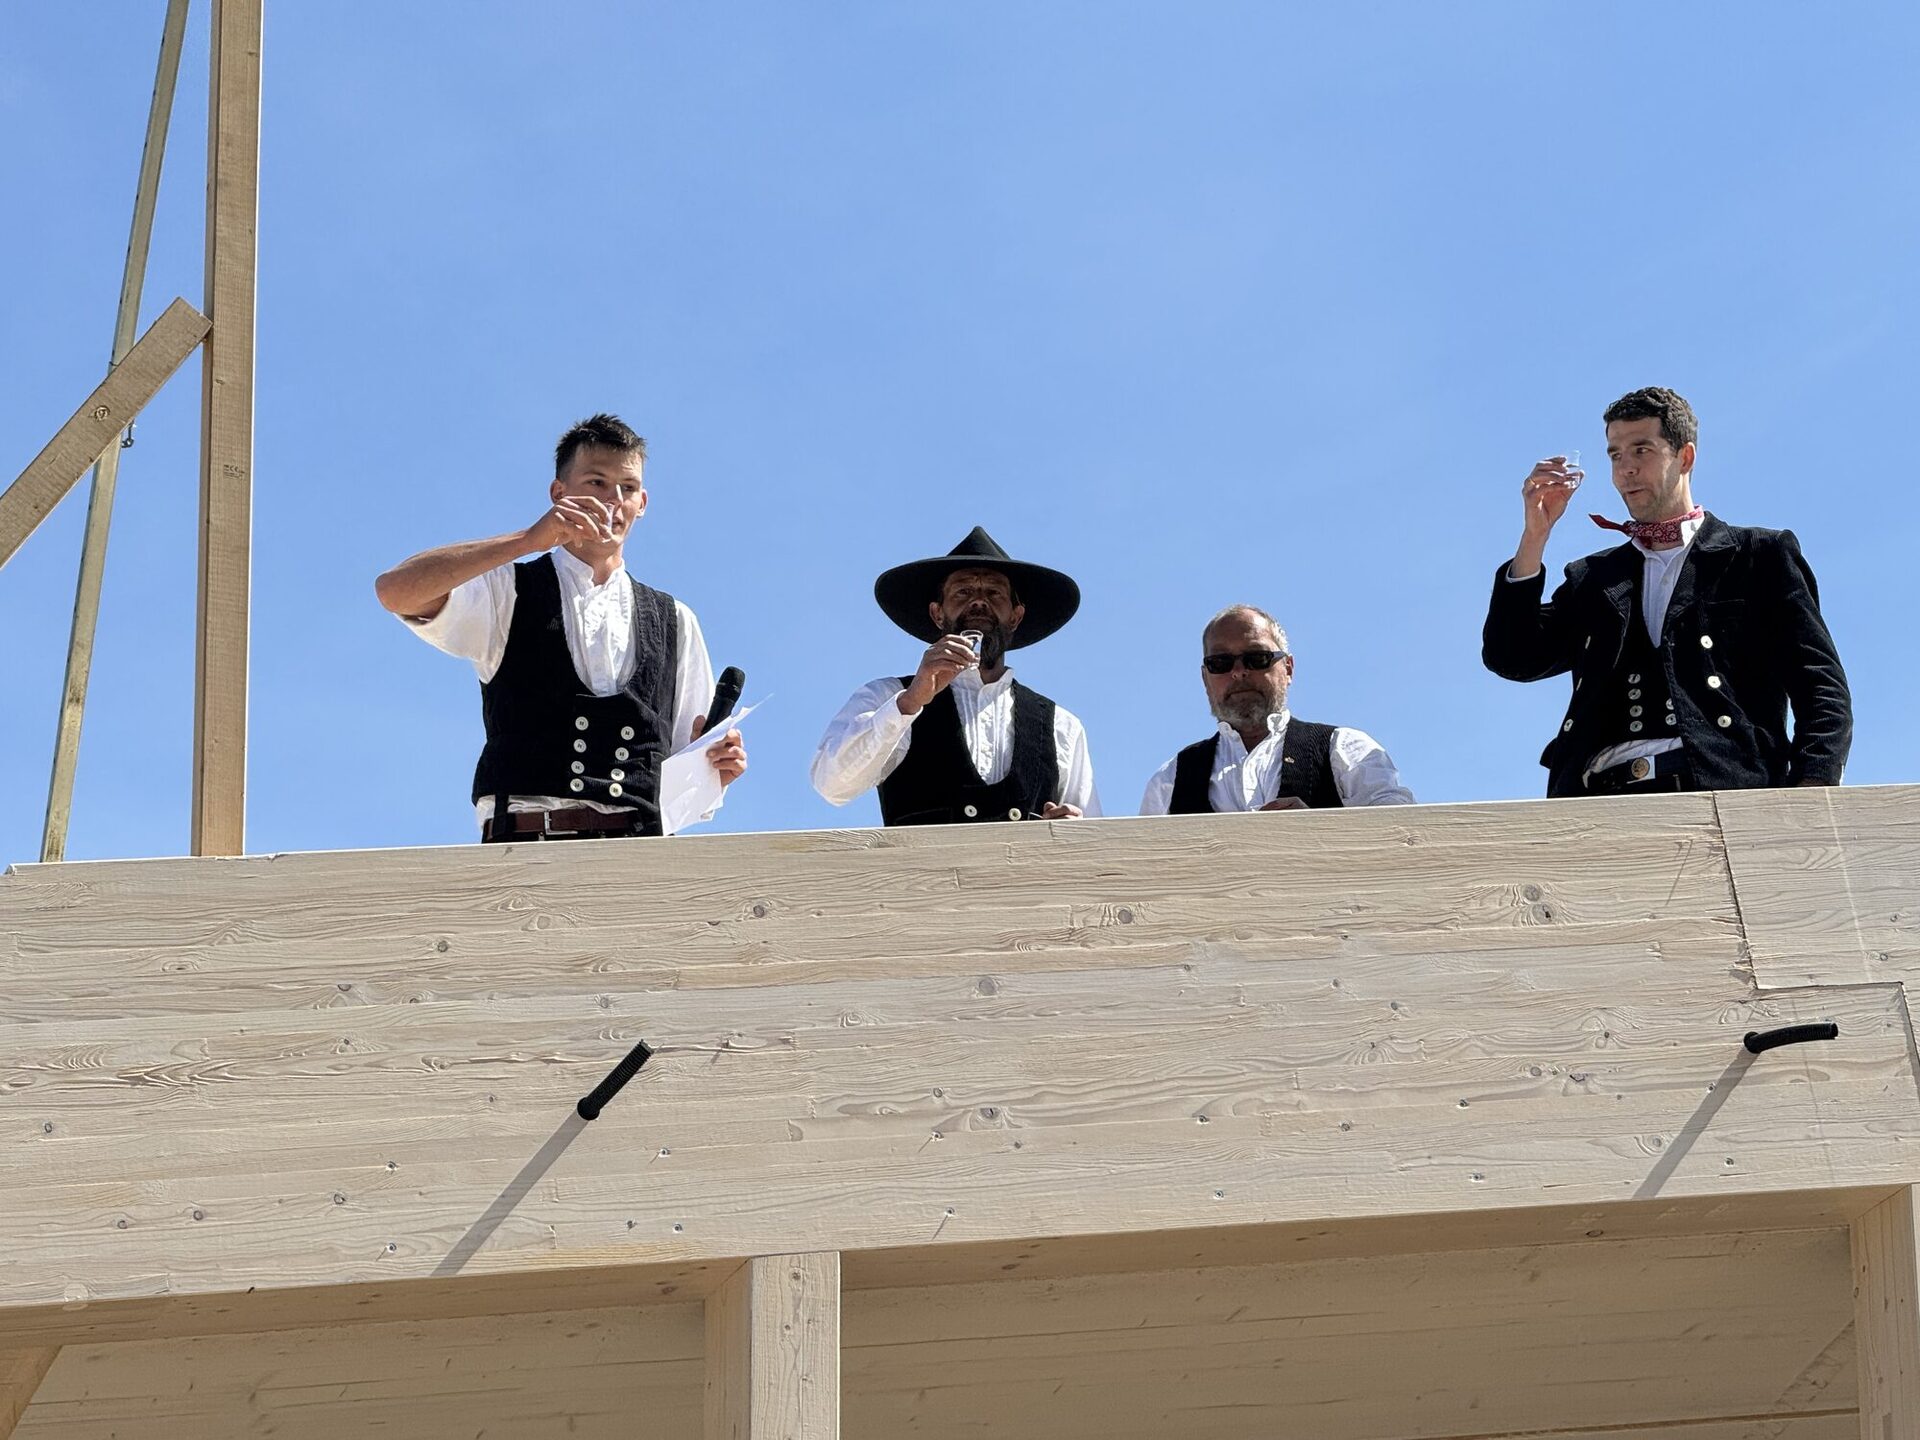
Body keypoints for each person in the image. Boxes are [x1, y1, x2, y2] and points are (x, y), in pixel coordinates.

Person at [374, 413, 746, 839]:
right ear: (559, 493)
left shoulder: (676, 620)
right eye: (597, 482)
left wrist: (717, 769)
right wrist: (528, 540)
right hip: (524, 848)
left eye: (627, 488)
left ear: (642, 503)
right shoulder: (509, 591)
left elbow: (687, 784)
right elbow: (395, 591)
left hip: (638, 856)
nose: (613, 500)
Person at [1482, 386, 1850, 796]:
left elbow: (1821, 688)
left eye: (1641, 450)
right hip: (1595, 804)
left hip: (1720, 792)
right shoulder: (1594, 577)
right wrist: (1535, 537)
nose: (1626, 469)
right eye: (1615, 455)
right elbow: (1512, 657)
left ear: (1685, 457)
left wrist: (1811, 791)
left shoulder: (1758, 556)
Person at [811, 526, 1100, 824]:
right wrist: (909, 703)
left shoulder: (1061, 725)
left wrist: (1072, 829)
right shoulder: (887, 696)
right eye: (963, 591)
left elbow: (1093, 837)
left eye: (994, 593)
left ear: (1016, 616)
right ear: (937, 613)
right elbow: (831, 784)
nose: (979, 602)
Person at [1140, 605, 1413, 814]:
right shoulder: (1170, 781)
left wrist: (1321, 831)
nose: (1239, 672)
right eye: (1220, 662)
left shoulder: (1345, 751)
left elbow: (1402, 835)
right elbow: (1142, 865)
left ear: (1288, 668)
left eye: (1257, 658)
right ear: (1205, 678)